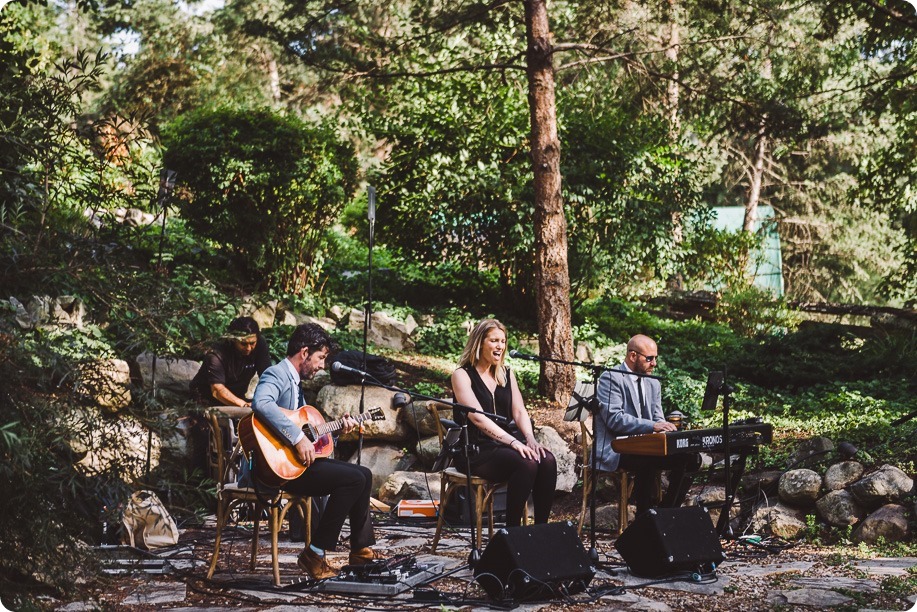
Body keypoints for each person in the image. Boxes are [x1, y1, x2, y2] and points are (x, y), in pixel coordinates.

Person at [245, 323, 377, 580]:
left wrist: (336, 432)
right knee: (354, 479)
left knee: (364, 474)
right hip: (276, 468)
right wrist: (296, 438)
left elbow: (308, 435)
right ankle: (314, 554)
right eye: (321, 358)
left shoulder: (297, 386)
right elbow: (261, 404)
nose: (322, 366)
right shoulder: (276, 374)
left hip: (296, 464)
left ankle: (360, 550)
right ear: (304, 352)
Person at [451, 319, 557, 527]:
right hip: (476, 449)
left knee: (546, 459)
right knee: (526, 463)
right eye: (494, 341)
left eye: (503, 341)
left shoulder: (507, 374)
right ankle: (512, 533)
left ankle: (541, 530)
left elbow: (519, 411)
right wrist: (513, 443)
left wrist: (530, 439)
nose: (500, 346)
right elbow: (477, 418)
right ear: (480, 342)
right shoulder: (462, 375)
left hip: (504, 445)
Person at [593, 334, 700, 516]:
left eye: (655, 358)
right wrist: (653, 426)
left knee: (691, 458)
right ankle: (645, 516)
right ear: (633, 356)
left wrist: (668, 428)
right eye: (649, 358)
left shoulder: (653, 382)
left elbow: (658, 419)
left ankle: (666, 513)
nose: (654, 364)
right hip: (616, 448)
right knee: (647, 459)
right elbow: (615, 419)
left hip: (646, 446)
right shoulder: (611, 378)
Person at [190, 316, 271, 408]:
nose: (248, 348)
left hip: (238, 398)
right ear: (233, 340)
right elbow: (217, 390)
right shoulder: (216, 353)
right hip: (208, 400)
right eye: (243, 344)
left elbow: (268, 376)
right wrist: (244, 405)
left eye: (252, 343)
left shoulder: (260, 344)